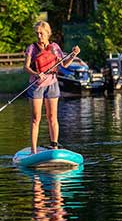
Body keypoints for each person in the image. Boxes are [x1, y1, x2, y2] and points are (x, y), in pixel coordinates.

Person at [24, 21, 80, 155]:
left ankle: (54, 145)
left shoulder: (54, 47)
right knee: (36, 118)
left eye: (41, 33)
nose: (39, 36)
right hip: (36, 86)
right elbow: (26, 67)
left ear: (48, 33)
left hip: (52, 85)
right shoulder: (32, 48)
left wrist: (73, 54)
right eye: (37, 33)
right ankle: (33, 150)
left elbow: (64, 64)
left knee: (52, 117)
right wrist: (36, 74)